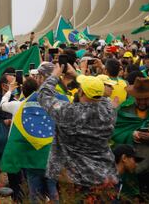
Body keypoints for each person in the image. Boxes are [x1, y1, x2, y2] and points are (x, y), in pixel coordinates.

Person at [37, 63, 117, 198]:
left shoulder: (69, 112)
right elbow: (99, 97)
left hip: (72, 176)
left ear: (81, 92)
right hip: (102, 173)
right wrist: (77, 75)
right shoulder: (109, 110)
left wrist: (54, 76)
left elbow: (43, 96)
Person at [1, 62, 69, 203]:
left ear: (41, 78)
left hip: (32, 157)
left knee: (35, 195)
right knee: (54, 192)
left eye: (38, 76)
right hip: (53, 157)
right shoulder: (63, 100)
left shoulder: (24, 103)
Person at [112, 77, 149, 196]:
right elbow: (115, 131)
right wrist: (131, 134)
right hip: (130, 167)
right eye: (139, 99)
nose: (142, 102)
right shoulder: (125, 108)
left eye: (146, 99)